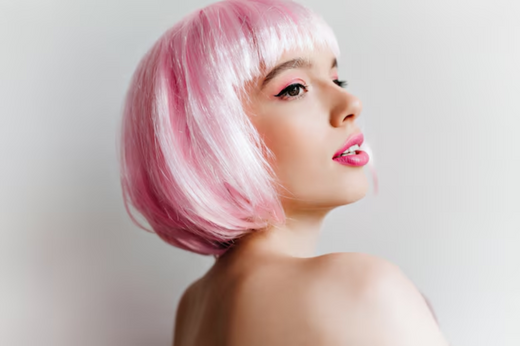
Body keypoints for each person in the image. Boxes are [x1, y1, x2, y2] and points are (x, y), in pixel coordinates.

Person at [118, 0, 449, 345]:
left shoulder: (194, 307)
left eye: (337, 79)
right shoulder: (358, 288)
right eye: (294, 89)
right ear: (211, 137)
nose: (351, 104)